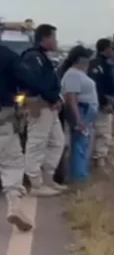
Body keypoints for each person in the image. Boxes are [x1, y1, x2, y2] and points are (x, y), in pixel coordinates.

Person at [18, 23, 66, 197]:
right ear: (45, 39)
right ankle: (35, 183)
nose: (55, 41)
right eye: (53, 37)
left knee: (57, 141)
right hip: (40, 106)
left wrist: (57, 99)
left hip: (50, 107)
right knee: (37, 143)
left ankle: (48, 178)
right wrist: (52, 98)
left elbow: (51, 83)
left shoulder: (42, 57)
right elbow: (37, 83)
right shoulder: (33, 57)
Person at [0, 43, 31, 231]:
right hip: (3, 118)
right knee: (11, 164)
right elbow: (28, 78)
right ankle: (15, 206)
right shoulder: (6, 54)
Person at [60, 46, 99, 184]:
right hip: (82, 110)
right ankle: (78, 177)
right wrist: (78, 119)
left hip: (86, 110)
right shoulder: (73, 74)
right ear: (81, 59)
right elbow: (71, 97)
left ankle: (80, 174)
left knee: (83, 143)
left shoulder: (79, 73)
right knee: (79, 145)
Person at [88, 38, 114, 168]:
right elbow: (95, 87)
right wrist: (104, 101)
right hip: (101, 105)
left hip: (109, 101)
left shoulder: (108, 64)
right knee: (102, 133)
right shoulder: (97, 65)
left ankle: (103, 156)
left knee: (107, 132)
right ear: (105, 49)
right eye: (112, 48)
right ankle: (99, 160)